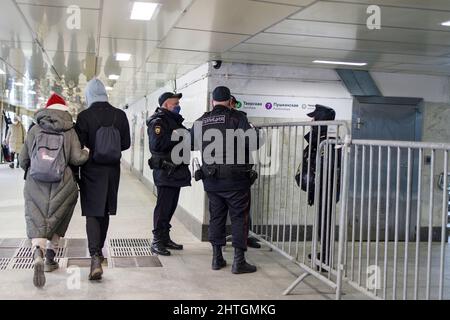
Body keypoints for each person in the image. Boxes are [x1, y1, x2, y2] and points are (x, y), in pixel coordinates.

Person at [19, 93, 89, 288]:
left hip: (35, 182)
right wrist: (87, 152)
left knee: (37, 218)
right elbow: (76, 159)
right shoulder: (70, 130)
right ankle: (50, 258)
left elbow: (23, 159)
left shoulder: (35, 128)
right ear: (65, 109)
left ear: (47, 108)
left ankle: (37, 252)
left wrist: (32, 170)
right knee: (58, 218)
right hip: (63, 183)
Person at [191, 86, 260, 274]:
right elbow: (253, 143)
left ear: (212, 102)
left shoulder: (202, 121)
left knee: (216, 218)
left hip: (212, 180)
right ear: (230, 101)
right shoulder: (238, 118)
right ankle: (239, 262)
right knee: (239, 219)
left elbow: (190, 143)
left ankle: (217, 259)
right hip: (236, 181)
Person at [75, 79, 131, 281]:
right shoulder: (120, 115)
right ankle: (99, 251)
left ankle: (95, 256)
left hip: (91, 169)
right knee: (105, 210)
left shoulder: (84, 116)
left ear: (89, 95)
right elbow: (125, 144)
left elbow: (78, 145)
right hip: (112, 171)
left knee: (92, 212)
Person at [296, 104, 341, 271]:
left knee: (325, 222)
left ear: (321, 119)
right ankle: (323, 255)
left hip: (327, 187)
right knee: (322, 221)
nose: (311, 120)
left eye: (314, 117)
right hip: (322, 186)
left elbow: (328, 167)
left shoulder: (328, 140)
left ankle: (326, 260)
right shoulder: (320, 138)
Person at [147, 92, 191, 256]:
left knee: (171, 206)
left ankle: (165, 237)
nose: (178, 106)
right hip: (165, 171)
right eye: (175, 103)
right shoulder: (158, 122)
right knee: (163, 206)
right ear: (166, 105)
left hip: (176, 171)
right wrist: (180, 137)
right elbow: (157, 144)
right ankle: (157, 241)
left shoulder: (174, 121)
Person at [229, 95, 261, 249]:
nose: (233, 107)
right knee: (228, 212)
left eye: (234, 104)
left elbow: (251, 143)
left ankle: (245, 237)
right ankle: (234, 248)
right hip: (228, 172)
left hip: (241, 170)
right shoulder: (222, 120)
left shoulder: (241, 119)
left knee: (244, 210)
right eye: (231, 104)